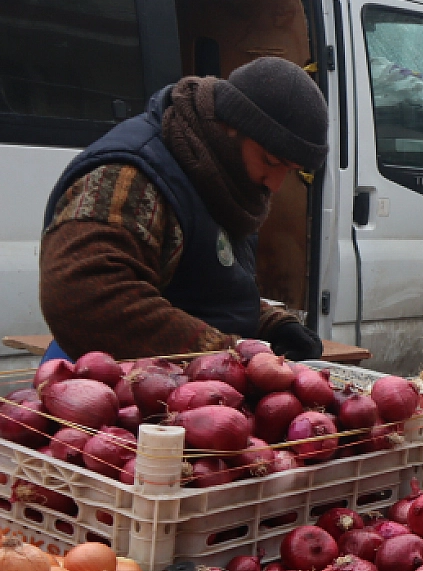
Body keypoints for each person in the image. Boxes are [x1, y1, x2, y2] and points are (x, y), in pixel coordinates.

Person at [40, 57, 327, 362]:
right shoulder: (129, 177)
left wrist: (272, 324)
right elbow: (83, 297)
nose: (276, 184)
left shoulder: (223, 180)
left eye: (291, 170)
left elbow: (206, 285)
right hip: (113, 388)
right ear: (230, 125)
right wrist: (231, 356)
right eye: (270, 161)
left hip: (195, 388)